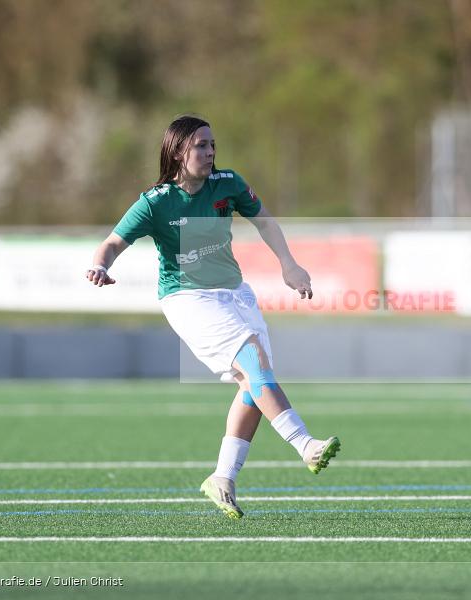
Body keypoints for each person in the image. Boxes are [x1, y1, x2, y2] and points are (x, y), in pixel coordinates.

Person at [86, 115, 340, 519]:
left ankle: (222, 477)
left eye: (211, 145)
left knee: (254, 387)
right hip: (188, 298)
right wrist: (101, 265)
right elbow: (114, 242)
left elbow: (264, 220)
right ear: (176, 151)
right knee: (255, 364)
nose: (209, 153)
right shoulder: (155, 202)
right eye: (200, 146)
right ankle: (305, 445)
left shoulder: (228, 184)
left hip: (235, 293)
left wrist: (289, 265)